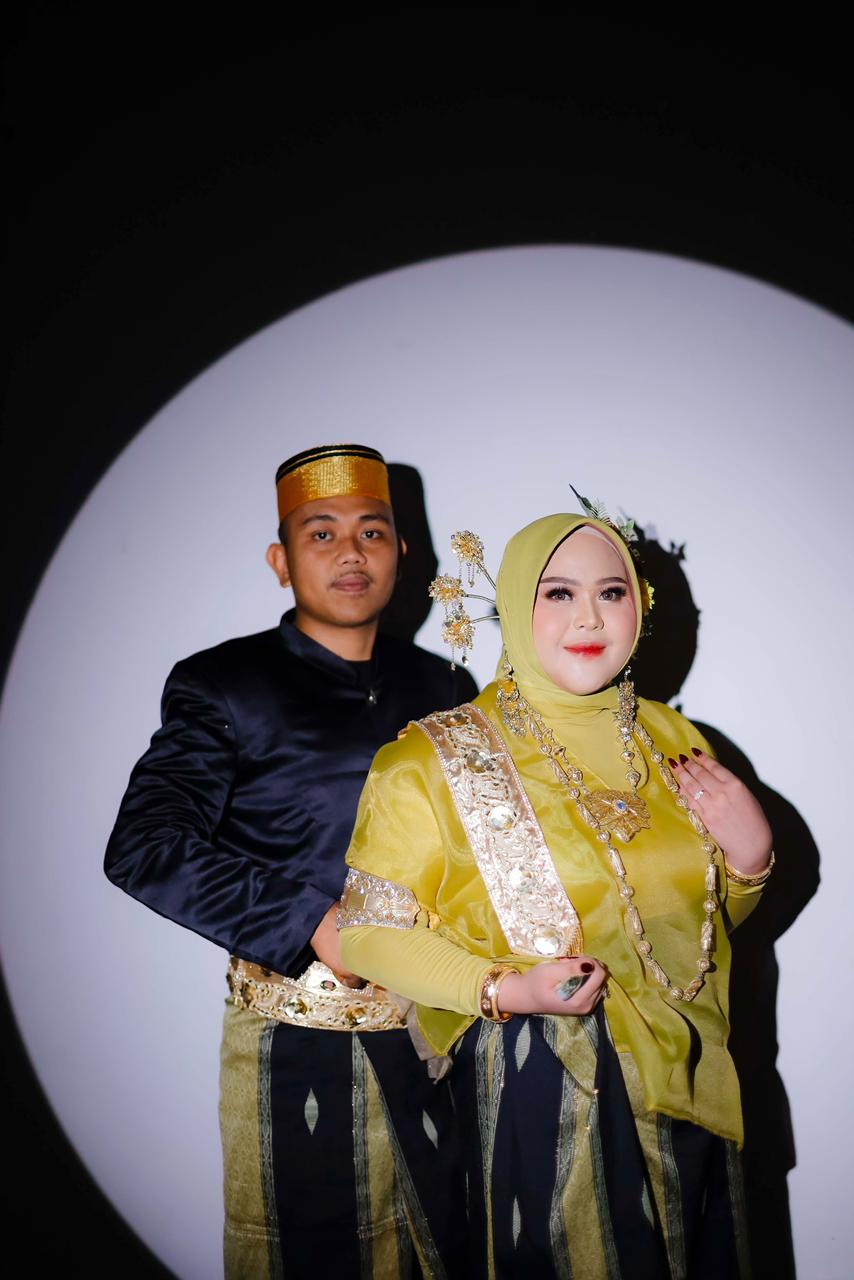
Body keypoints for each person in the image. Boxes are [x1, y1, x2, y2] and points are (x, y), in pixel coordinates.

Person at [339, 510, 774, 1278]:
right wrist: (505, 989)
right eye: (559, 593)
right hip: (545, 1089)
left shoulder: (674, 741)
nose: (590, 617)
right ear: (513, 604)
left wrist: (750, 863)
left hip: (693, 1080)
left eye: (611, 592)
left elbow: (693, 933)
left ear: (639, 605)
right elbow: (367, 933)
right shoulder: (434, 759)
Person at [105, 443, 477, 1279]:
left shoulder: (446, 691)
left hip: (437, 1035)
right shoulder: (225, 684)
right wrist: (313, 923)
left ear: (401, 555)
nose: (351, 553)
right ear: (281, 560)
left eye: (372, 532)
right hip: (296, 1042)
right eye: (321, 534)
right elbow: (145, 845)